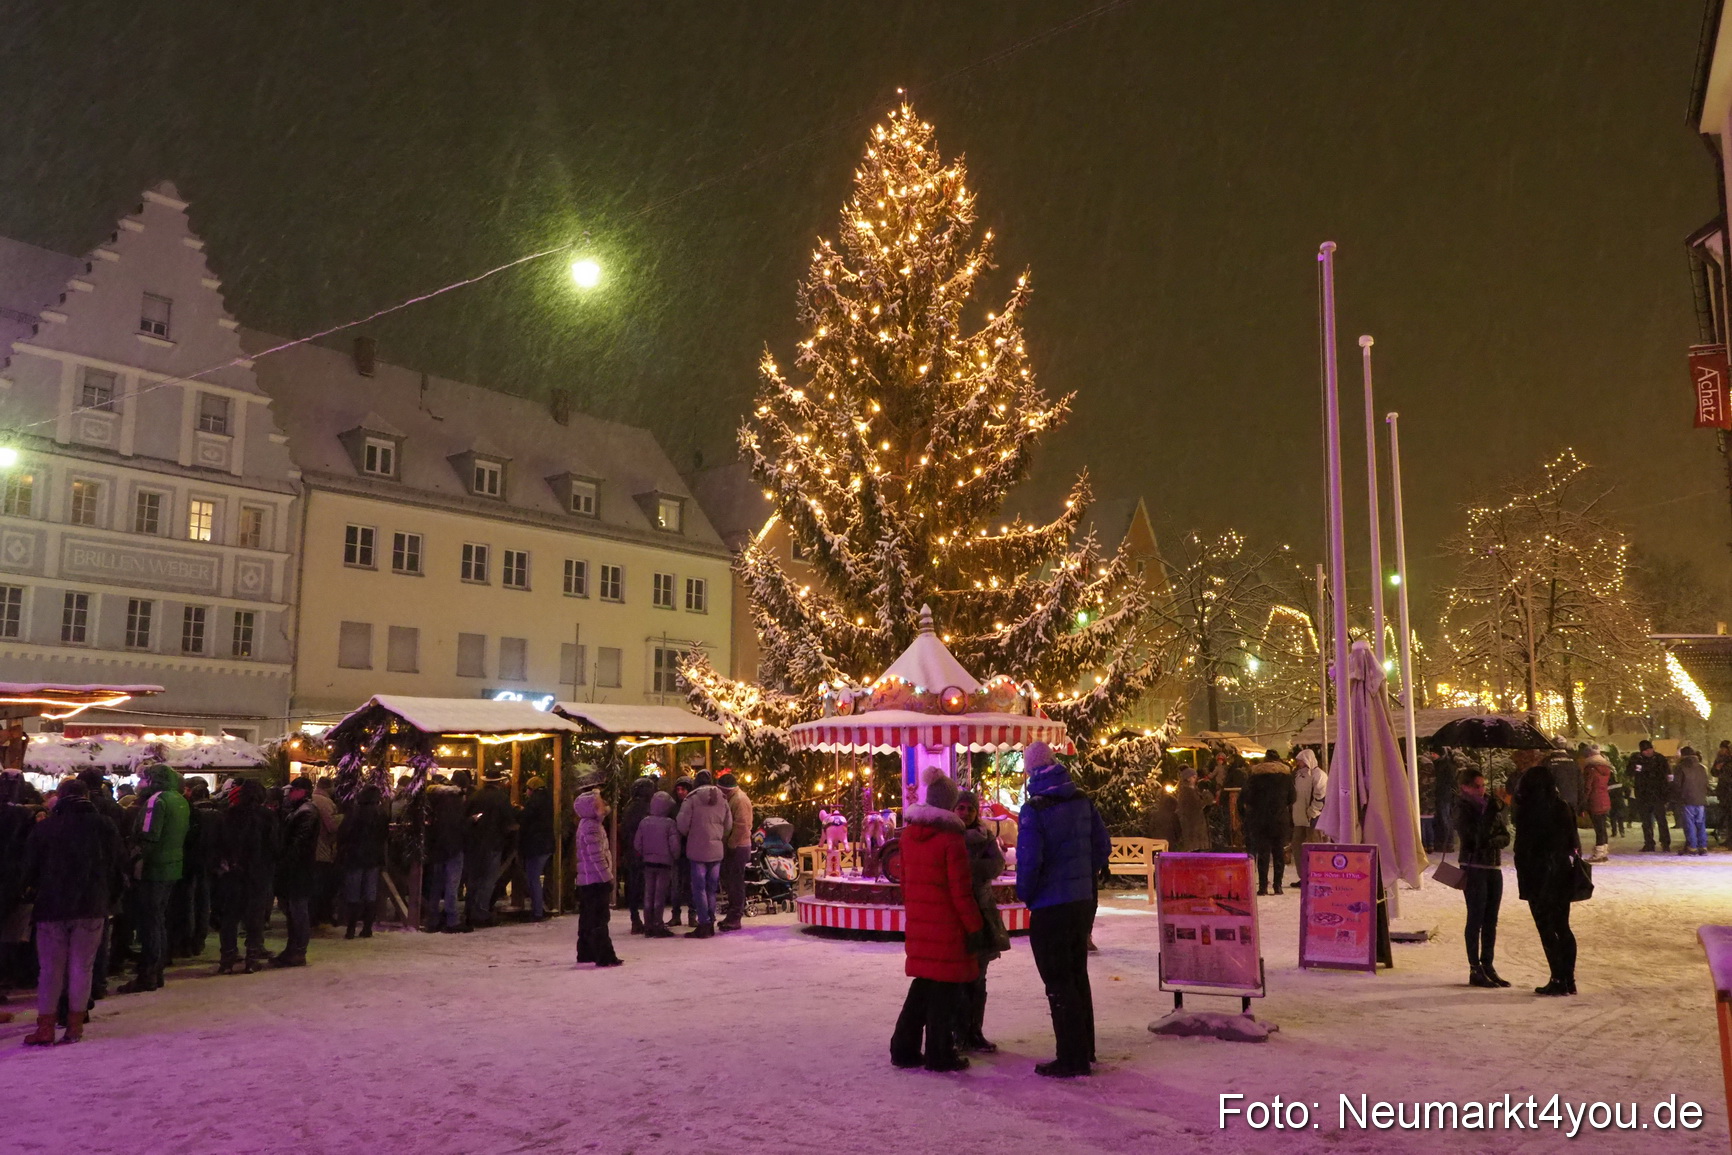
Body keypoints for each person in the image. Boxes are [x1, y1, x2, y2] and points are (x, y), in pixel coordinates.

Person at [1015, 742, 1111, 1078]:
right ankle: (1085, 1048)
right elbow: (1102, 846)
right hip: (1081, 902)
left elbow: (1029, 861)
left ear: (1031, 771)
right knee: (1077, 974)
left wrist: (1027, 894)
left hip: (1050, 905)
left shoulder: (1035, 809)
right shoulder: (1081, 800)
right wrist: (1082, 876)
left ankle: (1071, 1057)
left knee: (1058, 980)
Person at [889, 767, 981, 1073]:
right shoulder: (951, 840)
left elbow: (904, 884)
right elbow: (960, 892)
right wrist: (975, 927)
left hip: (920, 922)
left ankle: (903, 1048)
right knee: (945, 991)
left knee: (923, 986)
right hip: (948, 926)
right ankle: (940, 1053)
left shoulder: (909, 836)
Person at [19, 779, 121, 1045]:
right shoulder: (105, 826)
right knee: (82, 967)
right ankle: (75, 1027)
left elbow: (29, 868)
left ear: (60, 797)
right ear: (87, 796)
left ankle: (45, 1027)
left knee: (50, 969)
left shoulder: (46, 827)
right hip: (92, 905)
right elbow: (117, 865)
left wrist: (29, 892)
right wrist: (110, 899)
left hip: (52, 905)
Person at [120, 763, 189, 994]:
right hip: (173, 867)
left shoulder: (156, 801)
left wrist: (133, 860)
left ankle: (148, 973)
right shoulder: (179, 800)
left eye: (144, 779)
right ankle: (157, 970)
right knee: (159, 920)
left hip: (153, 869)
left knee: (149, 922)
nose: (140, 784)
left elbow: (149, 835)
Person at [1513, 762, 1580, 996]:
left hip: (1537, 874)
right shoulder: (1562, 807)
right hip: (1561, 872)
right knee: (1562, 926)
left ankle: (1557, 977)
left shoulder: (1528, 811)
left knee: (1546, 927)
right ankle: (1568, 978)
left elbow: (1523, 847)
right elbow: (1573, 841)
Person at [954, 788, 1008, 1054]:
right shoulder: (948, 836)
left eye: (970, 809)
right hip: (956, 912)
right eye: (961, 808)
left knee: (979, 974)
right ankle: (957, 1030)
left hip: (982, 909)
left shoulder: (985, 837)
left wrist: (968, 869)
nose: (965, 813)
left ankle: (974, 1030)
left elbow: (997, 864)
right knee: (957, 975)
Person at [1452, 768, 1510, 989]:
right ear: (1465, 787)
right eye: (1477, 786)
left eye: (1483, 785)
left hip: (1493, 867)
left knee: (1491, 919)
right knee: (1475, 918)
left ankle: (1488, 964)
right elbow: (1475, 838)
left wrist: (1493, 841)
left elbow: (1505, 835)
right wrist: (1489, 821)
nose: (1482, 790)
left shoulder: (1490, 805)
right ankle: (1474, 968)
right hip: (1474, 867)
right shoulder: (1463, 808)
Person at [213, 779, 277, 974]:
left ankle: (227, 958)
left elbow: (220, 843)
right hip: (258, 873)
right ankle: (252, 958)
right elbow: (274, 846)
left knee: (230, 917)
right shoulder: (267, 816)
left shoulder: (229, 815)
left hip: (234, 872)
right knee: (255, 917)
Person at [675, 769, 732, 939]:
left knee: (699, 888)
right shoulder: (722, 799)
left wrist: (692, 834)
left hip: (697, 849)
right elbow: (728, 825)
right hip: (716, 850)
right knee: (711, 889)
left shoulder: (691, 799)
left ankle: (703, 923)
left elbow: (682, 824)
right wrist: (718, 836)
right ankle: (711, 922)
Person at [272, 776, 319, 968]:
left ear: (302, 791)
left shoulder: (306, 812)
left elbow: (298, 843)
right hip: (297, 869)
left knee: (298, 911)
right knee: (294, 911)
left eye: (293, 790)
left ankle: (298, 950)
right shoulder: (300, 810)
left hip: (299, 869)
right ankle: (293, 949)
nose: (289, 794)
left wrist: (285, 860)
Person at [573, 784, 621, 966]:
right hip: (595, 879)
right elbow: (597, 856)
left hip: (587, 879)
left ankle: (586, 951)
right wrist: (607, 877)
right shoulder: (592, 827)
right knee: (599, 918)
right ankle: (604, 955)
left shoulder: (586, 824)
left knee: (588, 917)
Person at [1239, 752, 1295, 896]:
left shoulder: (1255, 777)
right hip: (1279, 820)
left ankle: (1263, 886)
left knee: (1263, 853)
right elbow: (1293, 797)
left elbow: (1246, 797)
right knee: (1278, 852)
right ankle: (1278, 886)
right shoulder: (1286, 777)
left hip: (1260, 819)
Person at [338, 784, 389, 939]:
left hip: (355, 857)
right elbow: (384, 837)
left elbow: (344, 834)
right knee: (370, 894)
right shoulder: (381, 814)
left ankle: (351, 929)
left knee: (353, 893)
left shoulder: (354, 813)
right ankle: (367, 928)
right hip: (373, 858)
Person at [464, 770, 514, 928]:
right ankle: (481, 913)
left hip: (474, 844)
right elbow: (508, 822)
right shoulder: (501, 798)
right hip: (494, 843)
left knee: (473, 879)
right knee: (488, 880)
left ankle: (469, 910)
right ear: (499, 782)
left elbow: (465, 818)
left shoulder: (475, 796)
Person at [423, 772, 469, 933]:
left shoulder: (434, 798)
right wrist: (471, 821)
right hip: (454, 847)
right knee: (452, 885)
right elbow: (459, 825)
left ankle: (433, 919)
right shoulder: (456, 801)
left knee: (436, 885)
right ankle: (452, 920)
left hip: (437, 847)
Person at [633, 791, 681, 938]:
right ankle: (657, 924)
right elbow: (674, 845)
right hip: (664, 864)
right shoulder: (670, 824)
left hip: (648, 863)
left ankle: (648, 925)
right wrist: (675, 857)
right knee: (659, 895)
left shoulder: (644, 822)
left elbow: (637, 843)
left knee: (649, 893)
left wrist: (644, 854)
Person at [618, 775, 657, 935]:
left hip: (631, 852)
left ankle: (636, 918)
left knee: (634, 886)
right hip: (642, 852)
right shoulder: (644, 808)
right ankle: (648, 920)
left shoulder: (629, 807)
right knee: (645, 886)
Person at [717, 771, 754, 932]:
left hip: (739, 847)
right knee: (732, 882)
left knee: (735, 883)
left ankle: (735, 917)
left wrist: (730, 844)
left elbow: (741, 825)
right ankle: (732, 915)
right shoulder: (734, 798)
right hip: (738, 846)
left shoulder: (739, 800)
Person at [517, 776, 555, 921]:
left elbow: (526, 818)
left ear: (531, 788)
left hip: (535, 845)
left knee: (533, 878)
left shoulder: (534, 801)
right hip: (546, 844)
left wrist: (518, 811)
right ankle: (538, 908)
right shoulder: (548, 799)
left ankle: (537, 911)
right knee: (534, 877)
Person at [308, 777, 343, 928]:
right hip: (322, 849)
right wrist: (343, 817)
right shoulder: (325, 802)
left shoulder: (311, 799)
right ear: (329, 787)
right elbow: (332, 826)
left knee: (314, 885)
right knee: (322, 886)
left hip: (311, 850)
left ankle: (314, 916)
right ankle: (320, 916)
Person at [1289, 749, 1328, 880]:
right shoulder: (1297, 776)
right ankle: (1304, 877)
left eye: (1300, 761)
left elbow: (1320, 796)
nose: (1298, 763)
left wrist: (1313, 811)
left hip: (1313, 818)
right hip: (1299, 818)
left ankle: (1318, 875)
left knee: (1315, 847)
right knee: (1297, 846)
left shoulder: (1319, 775)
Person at [1629, 741, 1672, 852]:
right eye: (1645, 750)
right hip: (1643, 795)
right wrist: (1635, 767)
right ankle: (1649, 843)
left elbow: (1668, 774)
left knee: (1661, 820)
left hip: (1658, 794)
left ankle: (1665, 843)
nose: (1648, 752)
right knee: (1646, 821)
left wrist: (1667, 792)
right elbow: (1630, 773)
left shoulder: (1660, 759)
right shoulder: (1637, 759)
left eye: (1649, 749)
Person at [668, 775, 695, 928]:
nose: (680, 792)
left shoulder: (692, 806)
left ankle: (692, 914)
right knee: (676, 886)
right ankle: (676, 914)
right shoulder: (674, 807)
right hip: (678, 851)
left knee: (690, 885)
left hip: (689, 849)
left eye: (683, 789)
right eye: (678, 789)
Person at [1675, 747, 1710, 857]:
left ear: (1683, 755)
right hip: (1701, 799)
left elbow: (1677, 784)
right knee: (1700, 824)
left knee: (1689, 824)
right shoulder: (1702, 768)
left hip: (1687, 799)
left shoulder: (1681, 767)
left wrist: (1676, 797)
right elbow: (1706, 783)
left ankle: (1692, 847)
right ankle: (1703, 847)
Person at [1581, 746, 1613, 863]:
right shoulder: (1606, 767)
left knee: (1598, 828)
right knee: (1602, 827)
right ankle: (1604, 851)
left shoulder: (1591, 769)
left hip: (1594, 800)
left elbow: (1588, 786)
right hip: (1604, 799)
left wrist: (1583, 801)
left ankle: (1598, 854)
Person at [1175, 768, 1210, 852]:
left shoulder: (1193, 790)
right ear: (1188, 778)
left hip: (1195, 822)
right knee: (1194, 848)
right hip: (1192, 823)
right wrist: (1206, 799)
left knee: (1197, 848)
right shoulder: (1187, 792)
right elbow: (1196, 805)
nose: (1195, 779)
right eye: (1193, 777)